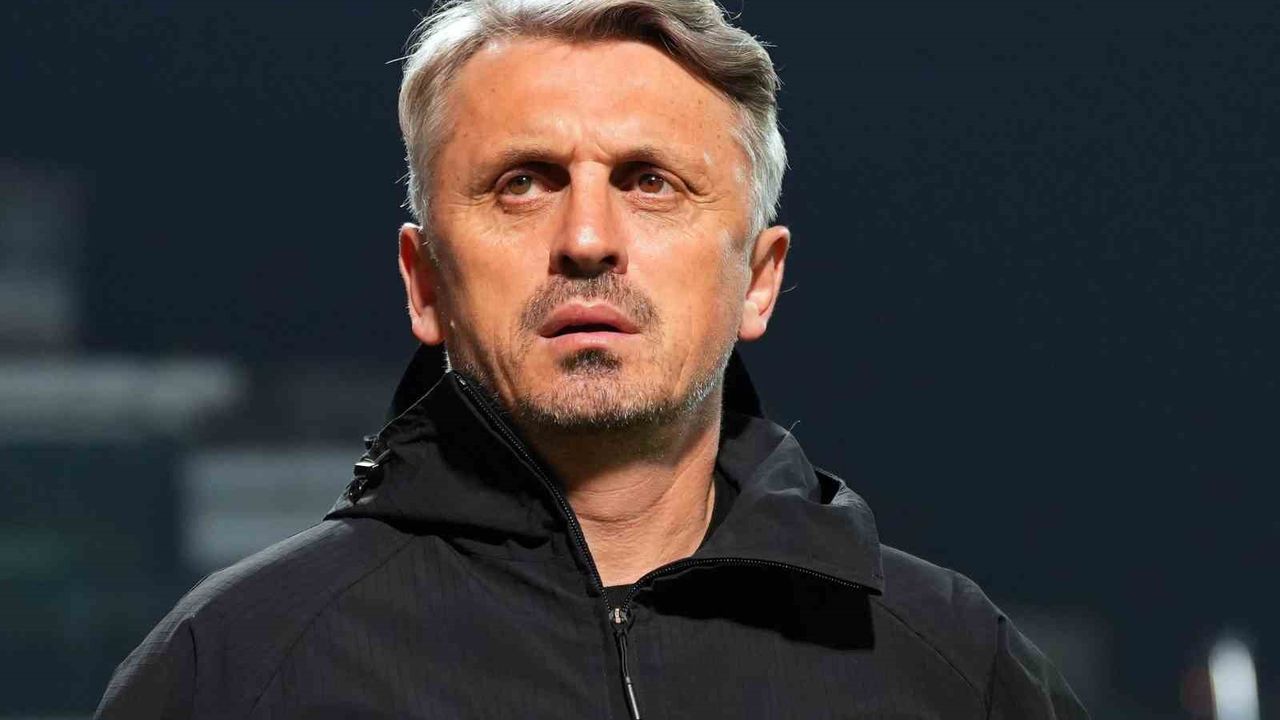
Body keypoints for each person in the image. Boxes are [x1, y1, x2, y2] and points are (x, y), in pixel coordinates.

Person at [96, 0, 1088, 717]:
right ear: (425, 282)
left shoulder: (948, 664)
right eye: (521, 183)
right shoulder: (236, 667)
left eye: (650, 182)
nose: (584, 239)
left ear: (758, 279)